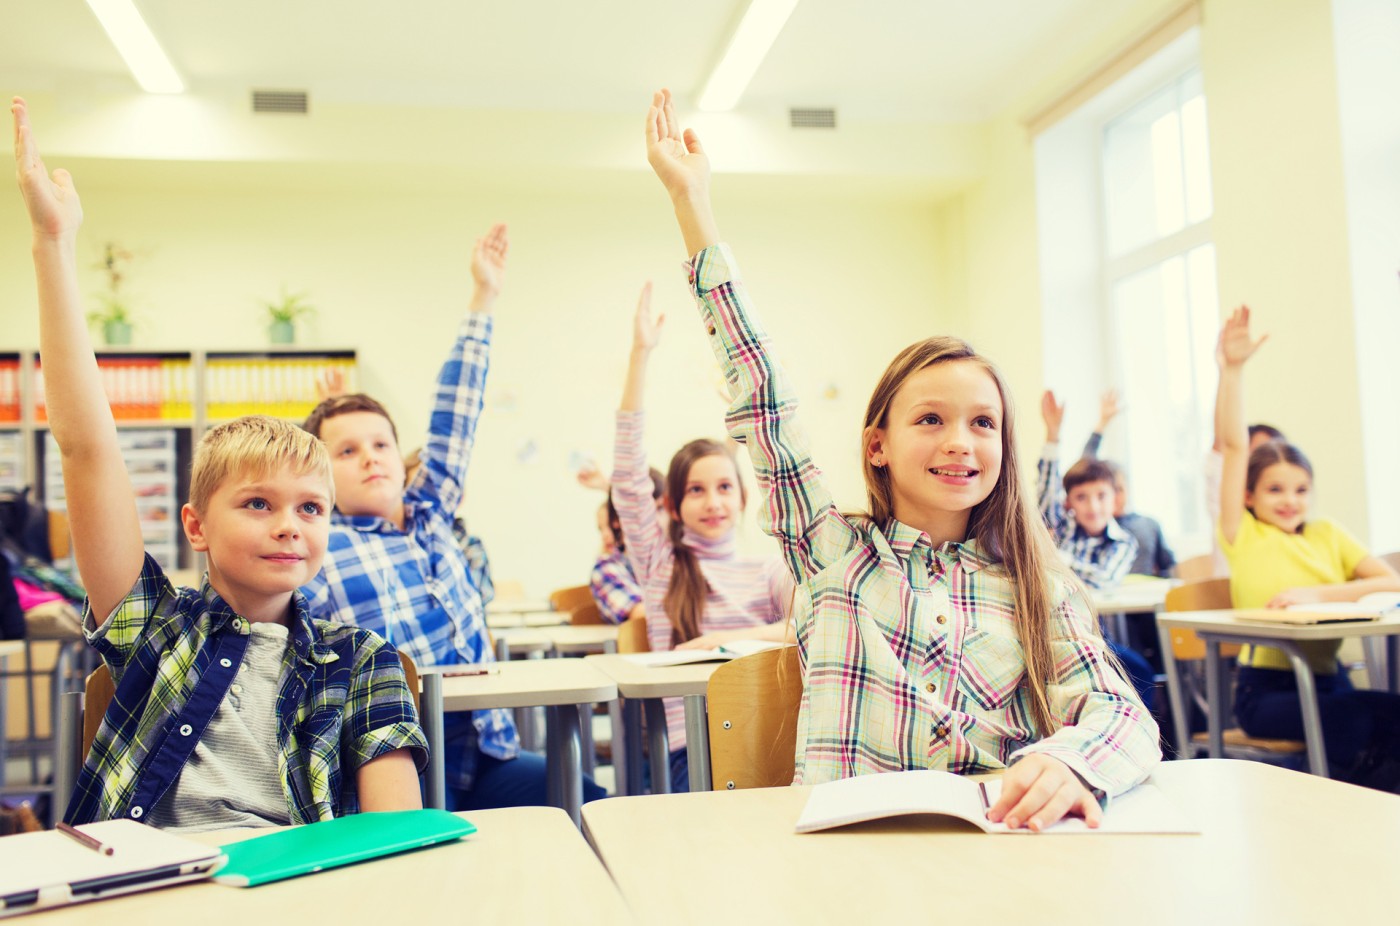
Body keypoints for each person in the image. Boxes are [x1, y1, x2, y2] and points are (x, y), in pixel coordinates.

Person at [643, 88, 1158, 830]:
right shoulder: (835, 554)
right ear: (877, 445)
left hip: (999, 861)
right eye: (930, 419)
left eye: (983, 422)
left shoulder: (1035, 582)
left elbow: (1120, 711)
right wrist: (694, 206)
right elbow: (763, 397)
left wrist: (1069, 759)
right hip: (850, 865)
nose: (959, 441)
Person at [12, 96, 426, 829]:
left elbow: (394, 832)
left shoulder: (364, 661)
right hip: (148, 886)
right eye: (257, 504)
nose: (289, 526)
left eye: (310, 507)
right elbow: (86, 450)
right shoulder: (157, 629)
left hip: (297, 889)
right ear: (196, 527)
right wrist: (54, 246)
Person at [298, 225, 602, 810]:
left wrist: (483, 300)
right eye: (347, 451)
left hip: (478, 748)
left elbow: (456, 413)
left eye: (382, 445)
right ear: (319, 473)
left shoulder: (431, 511)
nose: (370, 458)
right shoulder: (320, 546)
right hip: (385, 767)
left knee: (586, 801)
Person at [612, 281, 793, 791]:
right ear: (672, 503)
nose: (713, 502)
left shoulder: (768, 569)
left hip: (772, 743)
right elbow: (627, 478)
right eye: (696, 490)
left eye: (723, 487)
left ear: (742, 498)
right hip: (690, 749)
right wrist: (639, 355)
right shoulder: (661, 564)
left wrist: (722, 643)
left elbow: (814, 626)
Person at [1216, 306, 1400, 790]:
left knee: (1385, 714)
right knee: (1356, 722)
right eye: (1275, 489)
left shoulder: (1327, 534)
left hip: (1329, 679)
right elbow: (1235, 448)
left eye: (1300, 489)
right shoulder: (1244, 535)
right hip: (1266, 693)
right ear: (1249, 496)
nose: (1289, 500)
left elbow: (1390, 582)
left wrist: (1317, 595)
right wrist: (1232, 371)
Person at [1037, 391, 1138, 590]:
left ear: (1115, 498)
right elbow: (1047, 492)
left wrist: (1053, 557)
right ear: (1068, 502)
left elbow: (1103, 580)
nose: (1093, 506)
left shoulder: (1123, 542)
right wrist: (1053, 436)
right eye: (1081, 497)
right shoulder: (1061, 527)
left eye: (1101, 496)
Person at [1079, 391, 1177, 577]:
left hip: (1142, 601)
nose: (1116, 496)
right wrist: (1101, 424)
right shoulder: (1097, 526)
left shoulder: (1149, 525)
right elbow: (1083, 469)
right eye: (1106, 492)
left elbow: (1168, 567)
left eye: (1120, 489)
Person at [588, 467, 664, 625]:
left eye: (661, 509)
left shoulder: (671, 557)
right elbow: (640, 613)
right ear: (616, 522)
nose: (657, 521)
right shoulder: (606, 568)